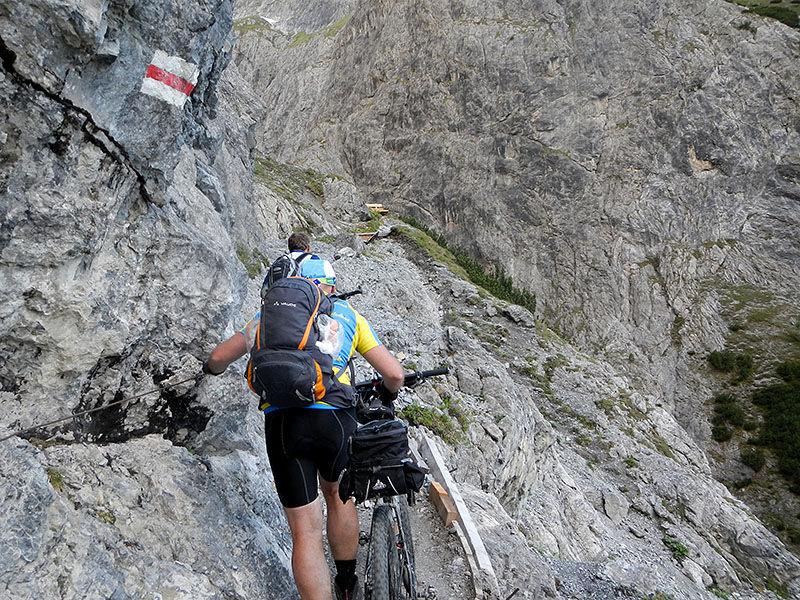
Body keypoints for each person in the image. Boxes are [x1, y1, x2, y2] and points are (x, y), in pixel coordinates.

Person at [203, 257, 404, 600]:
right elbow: (395, 374)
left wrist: (208, 370)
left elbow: (219, 358)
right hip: (336, 420)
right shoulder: (348, 315)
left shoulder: (269, 318)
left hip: (284, 424)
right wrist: (385, 394)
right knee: (340, 498)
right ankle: (346, 583)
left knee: (305, 532)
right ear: (330, 286)